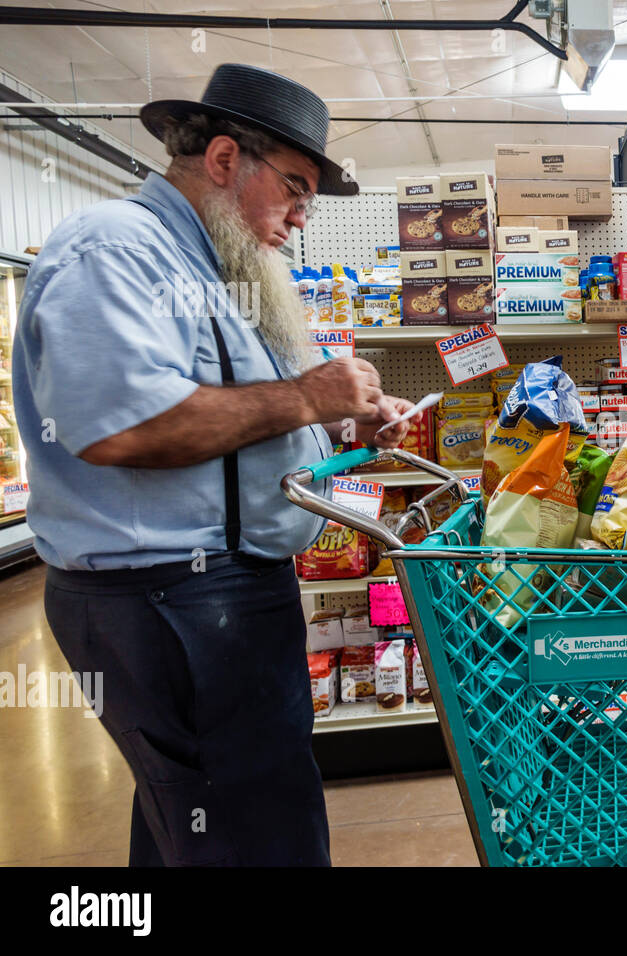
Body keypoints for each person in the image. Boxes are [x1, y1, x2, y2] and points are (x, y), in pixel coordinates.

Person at [12, 63, 410, 866]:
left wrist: (342, 426)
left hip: (212, 592)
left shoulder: (216, 267)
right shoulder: (118, 251)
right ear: (226, 161)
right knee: (257, 833)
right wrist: (305, 397)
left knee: (197, 816)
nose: (301, 218)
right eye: (295, 188)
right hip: (167, 598)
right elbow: (120, 428)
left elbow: (228, 419)